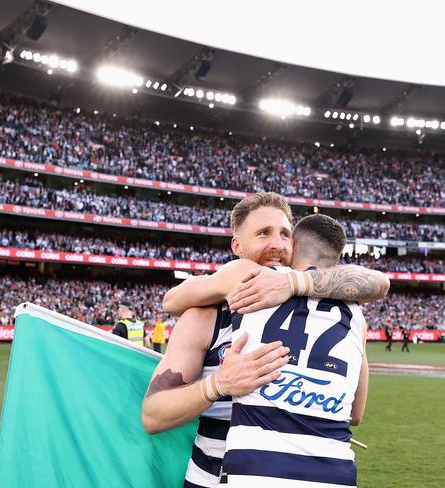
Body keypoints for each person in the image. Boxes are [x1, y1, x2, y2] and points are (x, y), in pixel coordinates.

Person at [142, 192, 389, 488]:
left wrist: (293, 282)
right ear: (237, 245)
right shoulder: (207, 315)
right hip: (211, 478)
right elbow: (153, 415)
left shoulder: (332, 309)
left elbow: (378, 283)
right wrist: (217, 385)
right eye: (263, 234)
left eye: (285, 234)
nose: (277, 244)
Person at [217, 214, 370, 487]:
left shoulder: (253, 277)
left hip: (254, 469)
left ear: (293, 244)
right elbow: (356, 414)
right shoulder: (357, 316)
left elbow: (175, 298)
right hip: (333, 471)